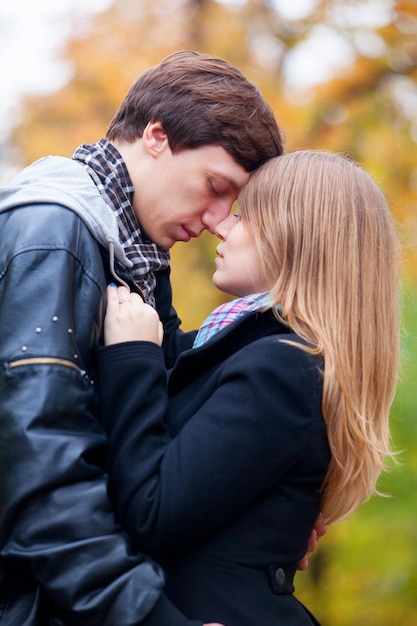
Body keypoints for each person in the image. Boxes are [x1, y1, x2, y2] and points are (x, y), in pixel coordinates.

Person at [0, 51, 284, 625]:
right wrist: (148, 617)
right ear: (156, 135)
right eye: (214, 185)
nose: (216, 219)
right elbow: (38, 473)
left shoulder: (136, 260)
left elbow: (169, 427)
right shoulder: (55, 237)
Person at [96, 150, 400, 626]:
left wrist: (131, 358)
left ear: (292, 235)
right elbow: (180, 356)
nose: (222, 227)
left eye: (242, 216)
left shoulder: (282, 369)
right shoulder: (255, 347)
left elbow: (150, 515)